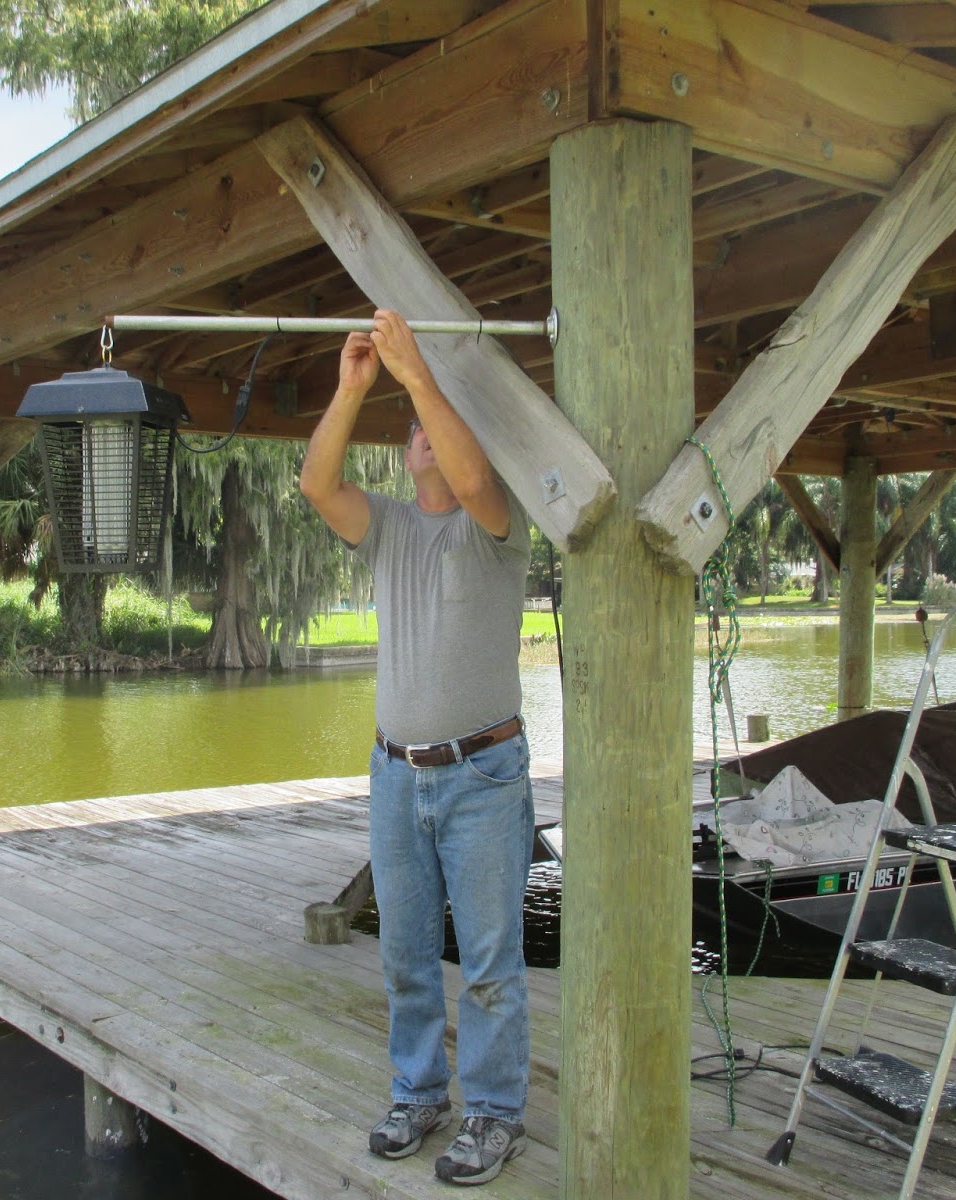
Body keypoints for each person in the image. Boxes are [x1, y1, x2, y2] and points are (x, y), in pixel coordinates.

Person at [299, 309, 534, 1187]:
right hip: (396, 775)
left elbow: (472, 475)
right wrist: (353, 388)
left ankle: (495, 1113)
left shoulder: (494, 521)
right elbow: (317, 483)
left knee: (487, 964)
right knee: (403, 954)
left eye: (432, 427)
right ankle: (418, 1091)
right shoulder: (390, 525)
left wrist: (420, 378)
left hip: (482, 775)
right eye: (412, 431)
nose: (421, 436)